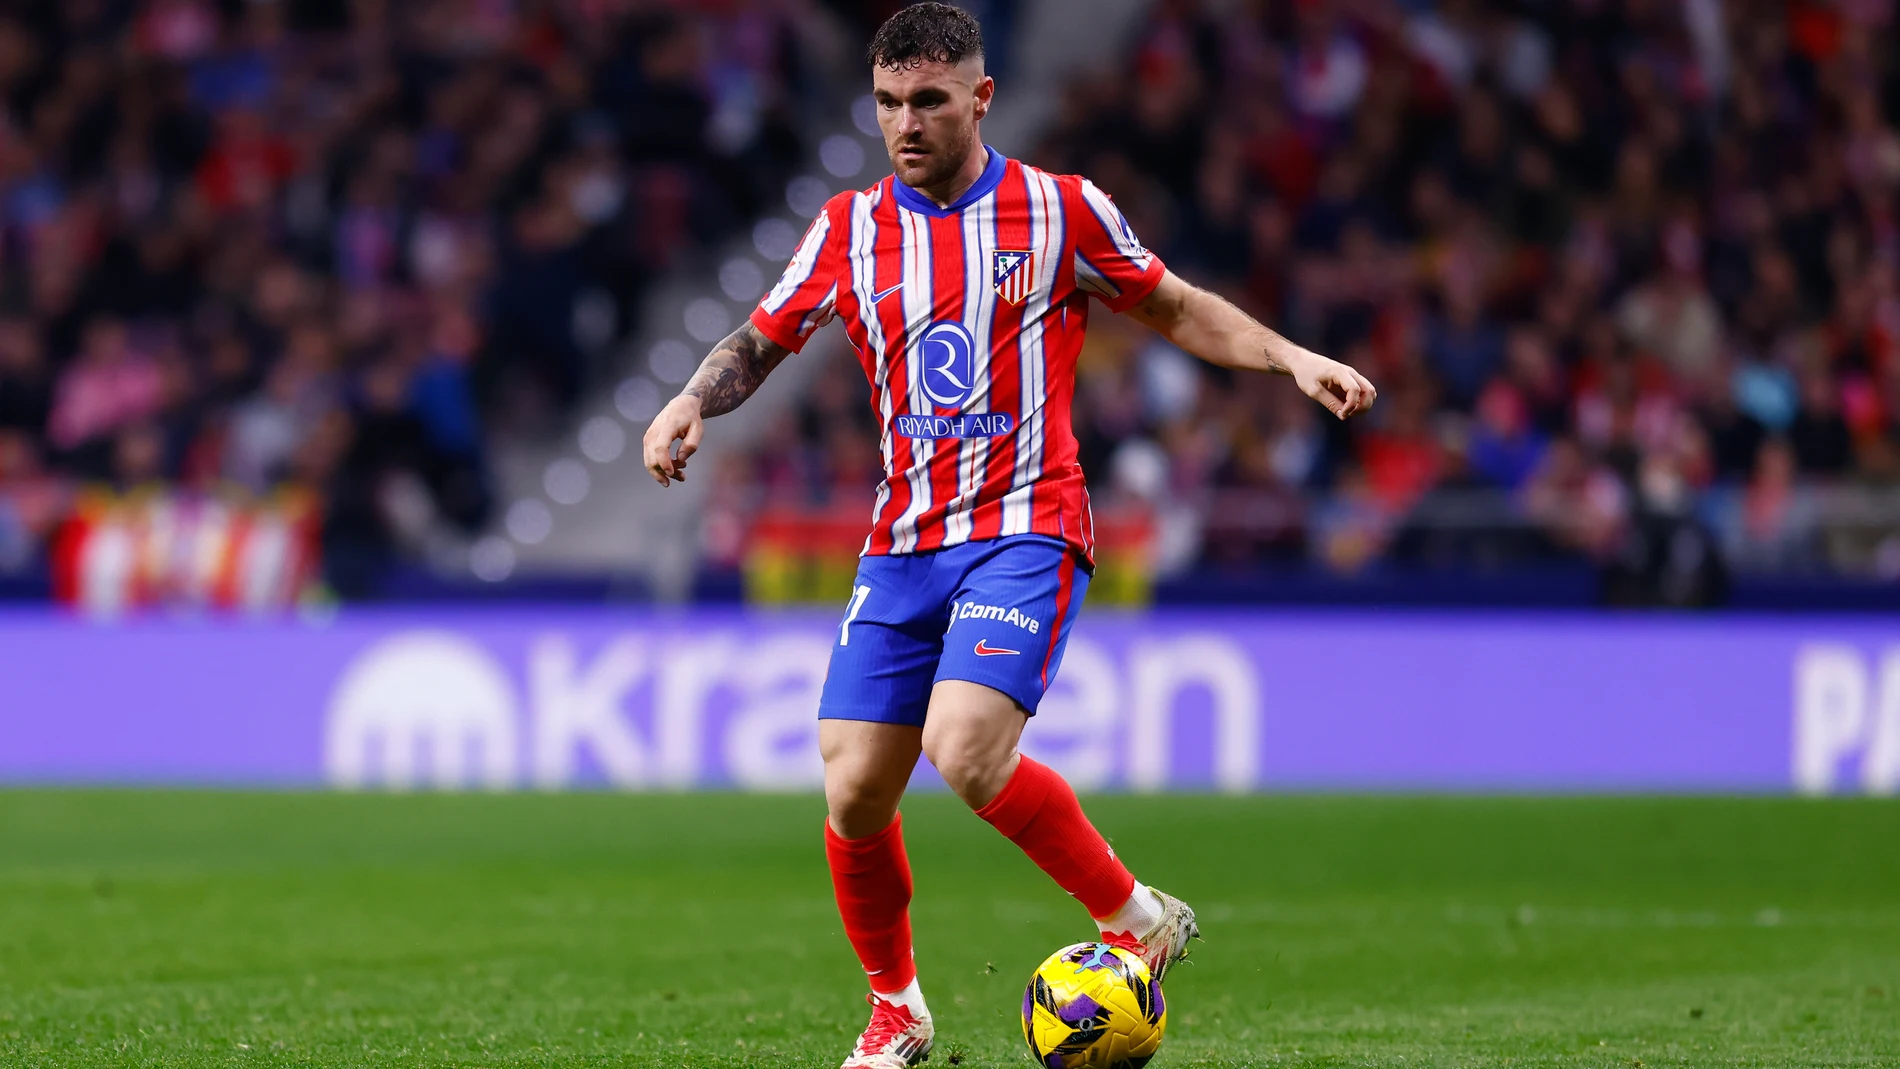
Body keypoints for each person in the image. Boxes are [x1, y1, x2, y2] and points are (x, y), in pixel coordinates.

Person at [641, 6, 1376, 1066]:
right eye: (889, 102)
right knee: (852, 788)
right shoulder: (850, 227)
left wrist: (1288, 358)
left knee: (967, 750)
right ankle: (898, 1010)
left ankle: (1136, 917)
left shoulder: (1059, 210)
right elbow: (763, 338)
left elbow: (1172, 307)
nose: (905, 123)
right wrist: (690, 400)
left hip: (1024, 525)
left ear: (979, 99)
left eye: (929, 101)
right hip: (903, 541)